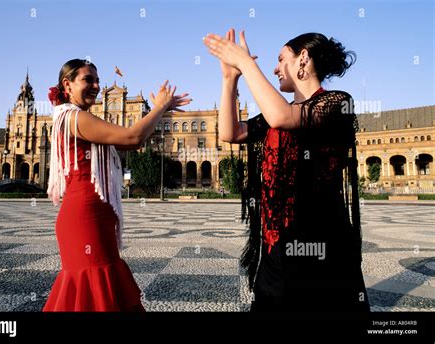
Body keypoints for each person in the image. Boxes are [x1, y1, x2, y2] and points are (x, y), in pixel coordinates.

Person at [204, 30, 370, 312]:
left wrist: (247, 63)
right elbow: (230, 132)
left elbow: (284, 118)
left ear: (302, 58)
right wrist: (230, 78)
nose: (275, 68)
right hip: (275, 251)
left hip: (321, 251)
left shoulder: (336, 103)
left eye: (281, 59)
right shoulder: (276, 114)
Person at [43, 59, 191, 311]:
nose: (96, 86)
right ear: (67, 85)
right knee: (95, 287)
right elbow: (132, 135)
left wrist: (159, 110)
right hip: (84, 216)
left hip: (95, 214)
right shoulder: (73, 117)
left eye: (97, 80)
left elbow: (132, 143)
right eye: (88, 80)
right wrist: (160, 107)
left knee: (103, 288)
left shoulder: (79, 117)